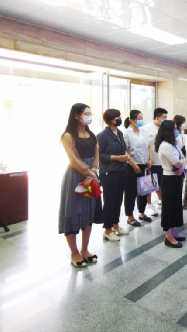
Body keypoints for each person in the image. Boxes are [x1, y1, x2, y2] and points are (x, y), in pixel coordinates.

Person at [59, 103, 100, 267]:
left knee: (88, 212)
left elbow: (96, 154)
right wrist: (89, 173)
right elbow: (73, 159)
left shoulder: (91, 134)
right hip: (76, 177)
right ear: (76, 116)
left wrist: (94, 171)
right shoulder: (68, 136)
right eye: (86, 113)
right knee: (73, 212)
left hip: (91, 176)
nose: (89, 116)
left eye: (90, 113)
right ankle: (74, 253)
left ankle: (85, 249)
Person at [98, 109, 129, 242]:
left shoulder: (119, 133)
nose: (119, 119)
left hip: (121, 170)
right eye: (117, 117)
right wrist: (116, 158)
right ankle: (107, 230)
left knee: (118, 200)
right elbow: (99, 155)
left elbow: (123, 149)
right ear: (110, 119)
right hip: (108, 172)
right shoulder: (103, 135)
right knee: (109, 201)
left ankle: (116, 225)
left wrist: (125, 157)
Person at [155, 120, 186, 248]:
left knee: (175, 207)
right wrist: (182, 165)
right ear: (169, 131)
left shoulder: (173, 144)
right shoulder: (165, 146)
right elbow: (178, 163)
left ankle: (173, 232)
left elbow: (183, 158)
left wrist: (182, 165)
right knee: (168, 208)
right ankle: (169, 237)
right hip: (169, 179)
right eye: (175, 129)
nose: (177, 131)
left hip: (176, 177)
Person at [123, 110, 153, 227]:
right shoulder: (127, 133)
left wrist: (150, 160)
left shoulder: (144, 131)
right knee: (131, 192)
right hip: (132, 166)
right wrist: (134, 165)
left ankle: (142, 212)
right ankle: (130, 216)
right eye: (139, 118)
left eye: (142, 118)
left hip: (145, 164)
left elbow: (149, 146)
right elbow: (125, 151)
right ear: (132, 120)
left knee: (144, 190)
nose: (141, 120)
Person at [142, 107, 168, 216]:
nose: (165, 119)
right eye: (164, 117)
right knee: (150, 184)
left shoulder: (164, 128)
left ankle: (160, 201)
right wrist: (149, 159)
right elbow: (146, 146)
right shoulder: (146, 129)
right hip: (151, 161)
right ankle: (149, 205)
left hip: (162, 161)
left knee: (161, 183)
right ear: (157, 118)